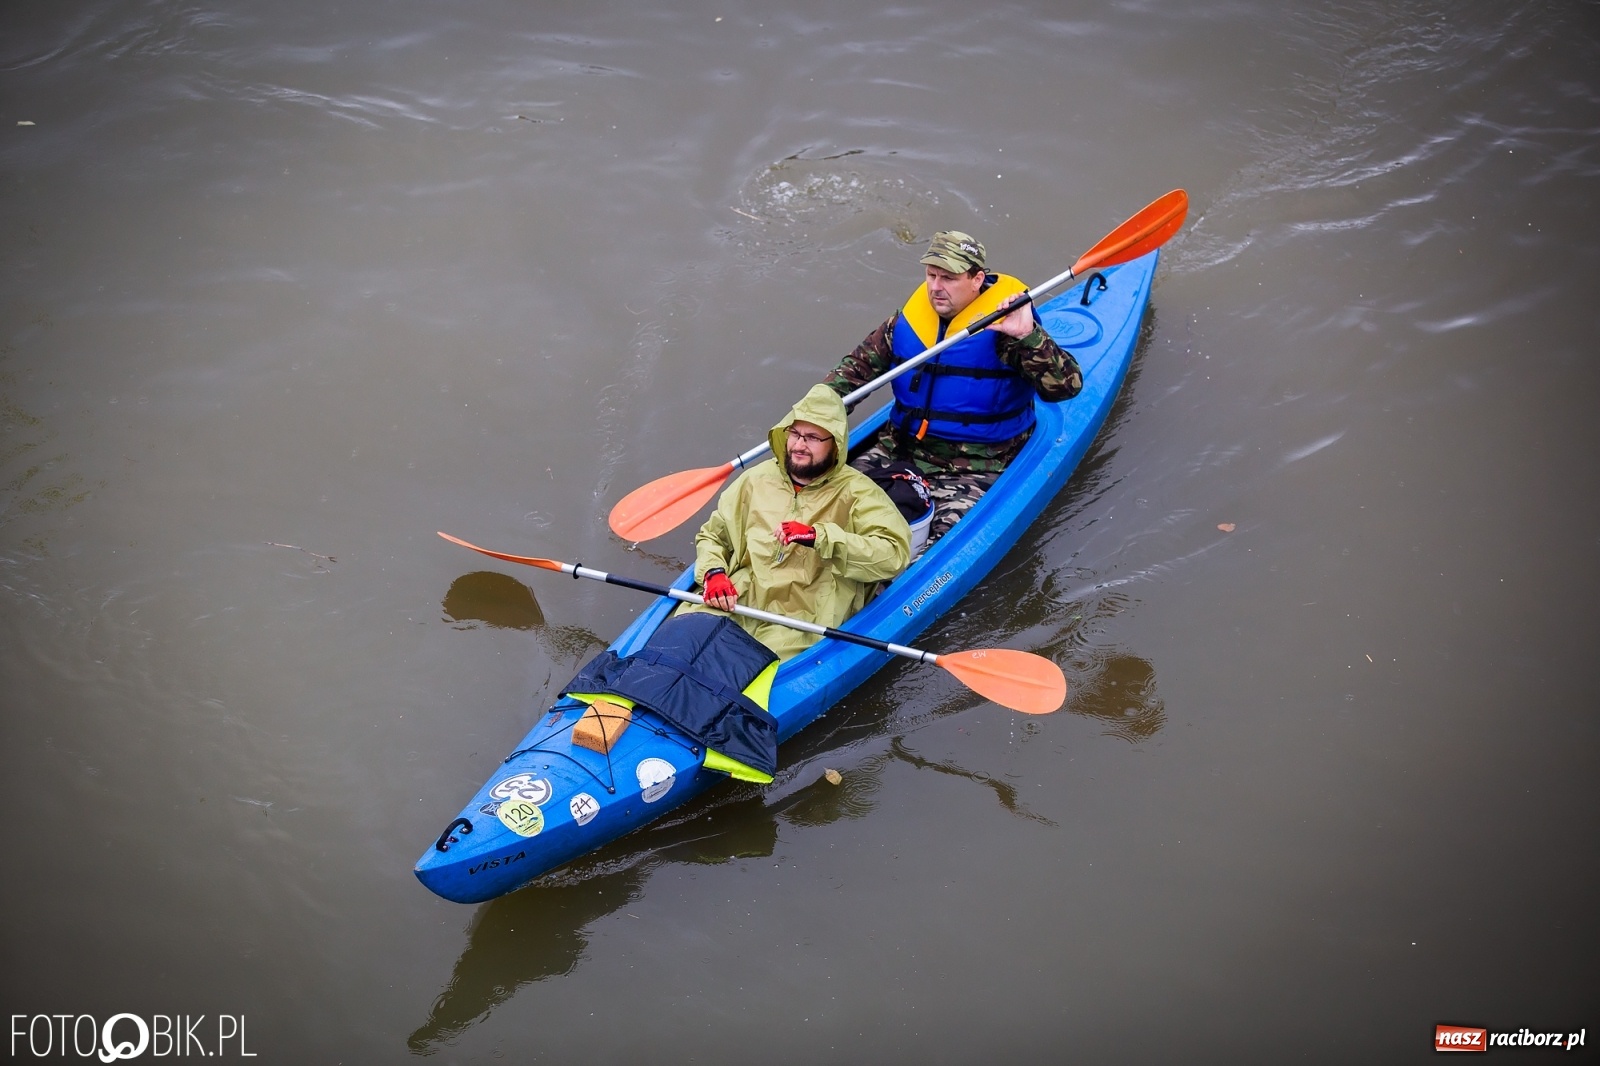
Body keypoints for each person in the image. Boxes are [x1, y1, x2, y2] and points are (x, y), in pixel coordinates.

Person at [822, 230, 1084, 541]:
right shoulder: (906, 323)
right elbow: (850, 376)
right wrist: (809, 421)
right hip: (898, 449)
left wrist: (1029, 336)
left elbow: (1066, 388)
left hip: (977, 466)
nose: (935, 287)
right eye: (931, 275)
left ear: (977, 279)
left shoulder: (1006, 329)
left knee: (928, 548)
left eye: (948, 278)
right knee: (824, 506)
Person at [680, 384, 911, 659]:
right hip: (737, 596)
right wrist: (713, 573)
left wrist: (819, 537)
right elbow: (713, 536)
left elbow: (892, 556)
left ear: (835, 446)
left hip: (805, 617)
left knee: (744, 667)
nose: (800, 445)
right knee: (679, 641)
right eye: (795, 434)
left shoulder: (860, 493)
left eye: (813, 437)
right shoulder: (755, 480)